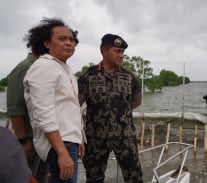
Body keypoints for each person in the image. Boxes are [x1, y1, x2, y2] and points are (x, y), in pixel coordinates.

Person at [23, 18, 85, 183]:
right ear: (47, 43)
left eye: (72, 39)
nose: (69, 43)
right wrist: (62, 152)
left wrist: (78, 137)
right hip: (58, 143)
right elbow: (44, 114)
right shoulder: (44, 67)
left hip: (68, 140)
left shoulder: (64, 68)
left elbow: (70, 108)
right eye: (62, 39)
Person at [78, 33, 143, 183]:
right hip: (95, 137)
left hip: (125, 136)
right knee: (94, 178)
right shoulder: (88, 76)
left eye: (123, 52)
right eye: (117, 51)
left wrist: (119, 115)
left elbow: (136, 101)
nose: (121, 55)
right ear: (103, 51)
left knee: (134, 177)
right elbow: (76, 105)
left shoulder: (129, 77)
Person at [7, 44, 48, 183]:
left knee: (41, 177)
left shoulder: (44, 68)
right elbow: (15, 109)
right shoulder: (24, 68)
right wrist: (23, 142)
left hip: (44, 138)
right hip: (30, 139)